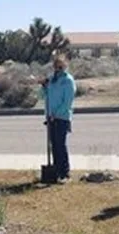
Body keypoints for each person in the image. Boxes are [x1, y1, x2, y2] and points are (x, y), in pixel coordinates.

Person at [39, 55, 76, 184]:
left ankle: (65, 173)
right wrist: (43, 87)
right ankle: (56, 171)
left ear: (65, 66)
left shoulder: (68, 81)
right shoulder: (52, 80)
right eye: (56, 66)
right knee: (53, 145)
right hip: (50, 117)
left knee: (60, 145)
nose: (58, 69)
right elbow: (43, 96)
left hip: (62, 117)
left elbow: (68, 102)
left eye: (60, 66)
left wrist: (57, 113)